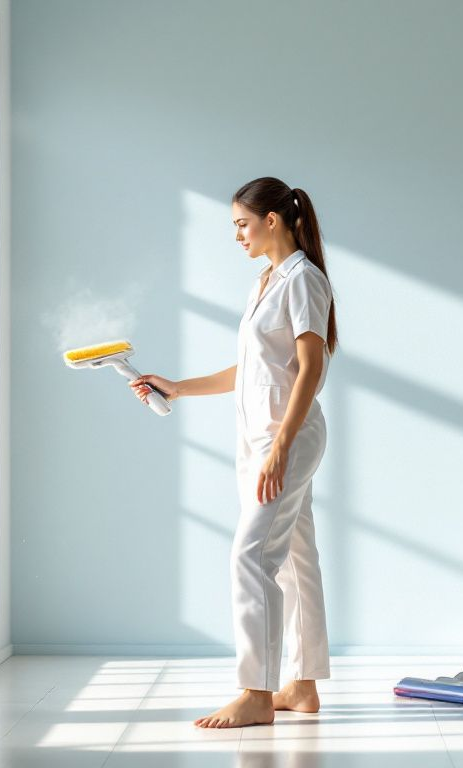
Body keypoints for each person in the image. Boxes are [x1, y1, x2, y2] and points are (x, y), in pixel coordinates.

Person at [130, 176, 338, 728]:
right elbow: (251, 369)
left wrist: (282, 445)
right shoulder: (265, 281)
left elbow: (311, 368)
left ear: (272, 220)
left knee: (251, 555)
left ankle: (255, 693)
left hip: (286, 437)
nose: (237, 235)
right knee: (295, 559)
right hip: (261, 436)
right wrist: (177, 387)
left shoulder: (303, 279)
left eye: (242, 224)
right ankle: (302, 687)